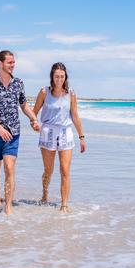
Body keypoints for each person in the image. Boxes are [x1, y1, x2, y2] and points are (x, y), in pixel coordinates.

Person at [0, 50, 40, 215]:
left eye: (14, 62)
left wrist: (33, 119)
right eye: (9, 62)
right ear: (0, 64)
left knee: (9, 167)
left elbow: (24, 105)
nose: (13, 65)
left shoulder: (18, 83)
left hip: (13, 133)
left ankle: (8, 208)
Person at [32, 62, 86, 213]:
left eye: (62, 76)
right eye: (56, 76)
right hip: (48, 133)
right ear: (52, 77)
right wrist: (34, 124)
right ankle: (45, 193)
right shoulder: (44, 92)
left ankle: (64, 204)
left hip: (65, 133)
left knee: (65, 170)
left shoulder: (71, 94)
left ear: (65, 77)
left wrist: (81, 137)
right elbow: (34, 112)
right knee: (48, 170)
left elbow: (75, 116)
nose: (59, 79)